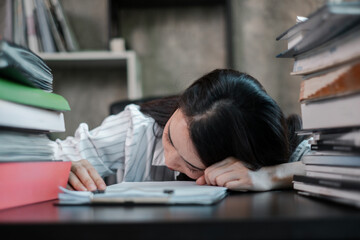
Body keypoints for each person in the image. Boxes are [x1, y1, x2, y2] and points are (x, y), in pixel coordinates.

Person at [51, 69, 310, 192]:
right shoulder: (136, 128)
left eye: (192, 166)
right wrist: (62, 169)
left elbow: (346, 167)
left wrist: (269, 176)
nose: (168, 160)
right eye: (170, 138)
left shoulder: (262, 151)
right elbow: (43, 158)